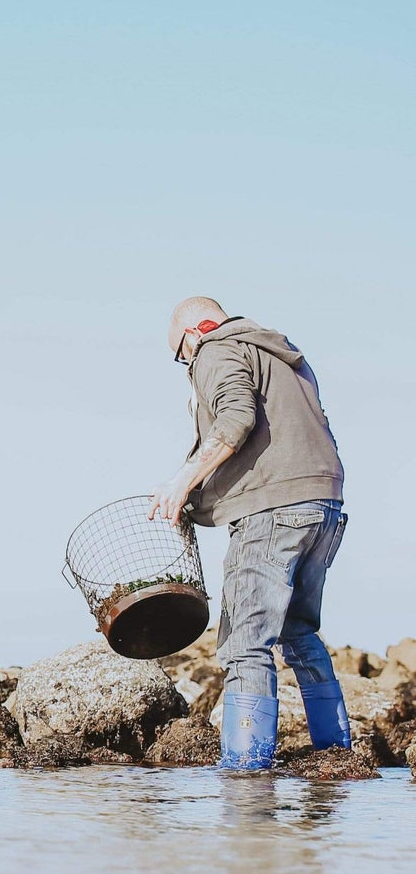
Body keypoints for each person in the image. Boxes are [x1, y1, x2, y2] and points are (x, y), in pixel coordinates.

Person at [149, 297, 347, 770]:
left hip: (273, 510)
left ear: (196, 332)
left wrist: (181, 483)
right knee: (298, 631)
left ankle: (246, 774)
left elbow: (236, 420)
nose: (187, 364)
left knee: (246, 642)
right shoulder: (284, 357)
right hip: (325, 504)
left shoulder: (216, 349)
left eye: (182, 354)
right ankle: (338, 760)